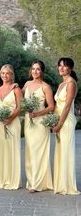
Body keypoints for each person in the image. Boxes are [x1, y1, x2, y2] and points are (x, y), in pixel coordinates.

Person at [22, 60, 54, 192]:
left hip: (40, 122)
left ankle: (37, 183)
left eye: (38, 69)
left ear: (42, 71)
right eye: (33, 69)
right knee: (30, 151)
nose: (35, 71)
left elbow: (51, 106)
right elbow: (19, 97)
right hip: (29, 122)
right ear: (31, 71)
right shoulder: (27, 84)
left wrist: (38, 113)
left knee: (39, 151)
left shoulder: (45, 87)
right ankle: (31, 180)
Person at [53, 57, 80, 195]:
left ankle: (68, 185)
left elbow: (67, 105)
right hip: (58, 120)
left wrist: (60, 124)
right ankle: (60, 182)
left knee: (66, 151)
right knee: (60, 151)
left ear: (70, 68)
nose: (61, 68)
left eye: (64, 66)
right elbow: (57, 105)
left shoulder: (71, 83)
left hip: (66, 121)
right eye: (60, 66)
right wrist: (52, 120)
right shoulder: (61, 84)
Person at [0, 64, 22, 190]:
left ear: (12, 75)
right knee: (1, 150)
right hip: (0, 124)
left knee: (12, 149)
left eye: (7, 73)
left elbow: (20, 107)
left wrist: (10, 118)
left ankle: (13, 180)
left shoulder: (16, 89)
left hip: (13, 122)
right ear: (0, 74)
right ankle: (2, 179)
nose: (5, 75)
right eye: (3, 73)